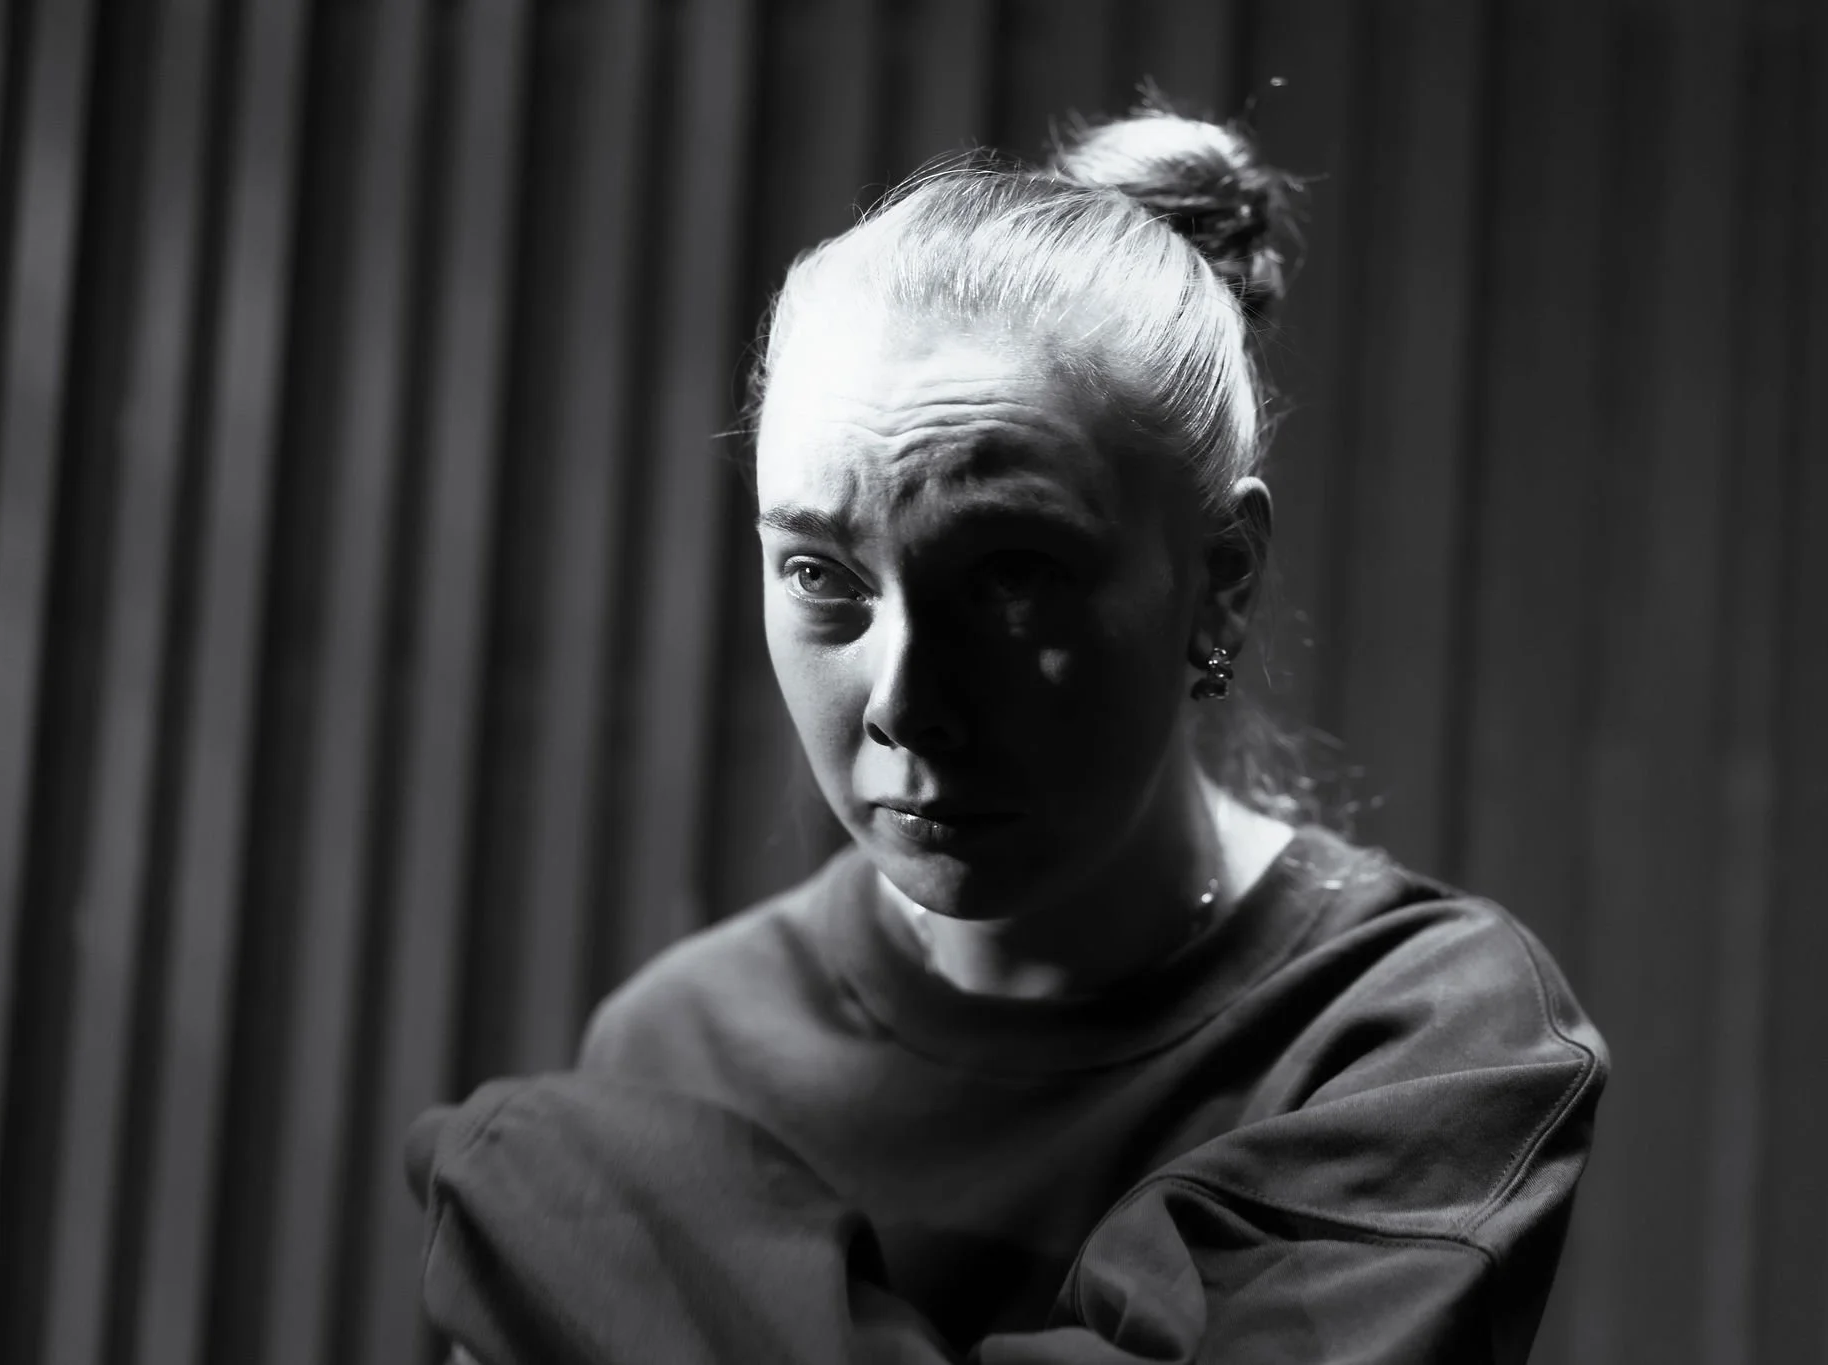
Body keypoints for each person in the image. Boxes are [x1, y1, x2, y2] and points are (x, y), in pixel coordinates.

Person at [405, 107, 1608, 1365]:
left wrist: (546, 1203)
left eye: (1010, 574)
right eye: (819, 574)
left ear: (1221, 581)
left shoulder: (1418, 1041)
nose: (901, 698)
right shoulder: (679, 1042)